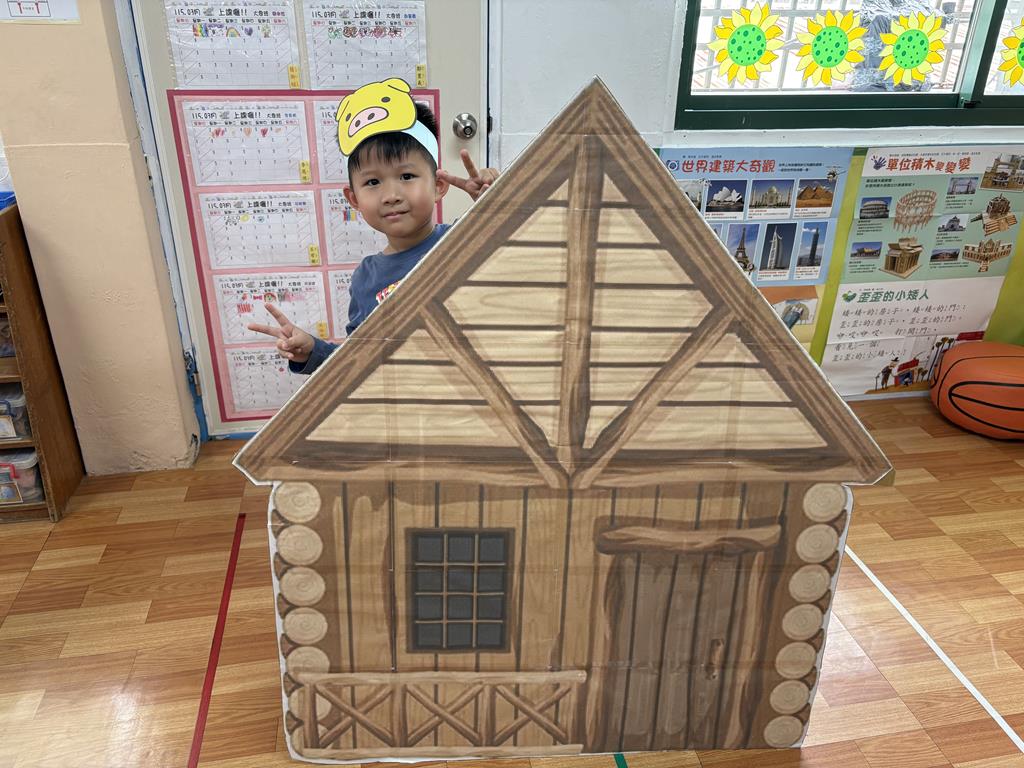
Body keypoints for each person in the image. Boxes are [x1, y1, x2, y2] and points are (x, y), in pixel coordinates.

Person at [247, 77, 498, 375]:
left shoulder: (464, 240)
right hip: (403, 399)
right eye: (373, 182)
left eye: (407, 176)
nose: (391, 195)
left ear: (438, 186)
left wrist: (497, 205)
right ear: (354, 199)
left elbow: (521, 257)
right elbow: (359, 361)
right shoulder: (365, 279)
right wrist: (313, 351)